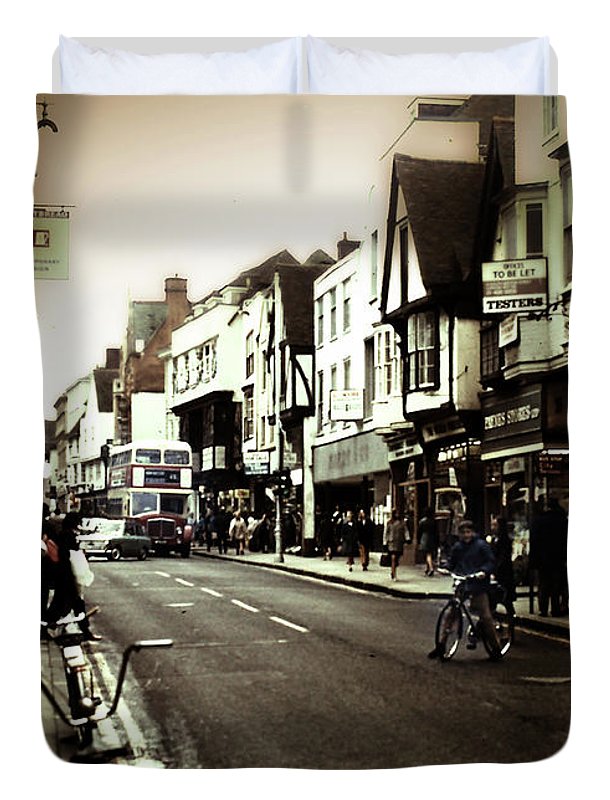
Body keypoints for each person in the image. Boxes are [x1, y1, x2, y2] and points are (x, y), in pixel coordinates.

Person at [428, 519, 501, 661]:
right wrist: (445, 568)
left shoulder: (481, 545)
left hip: (478, 584)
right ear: (459, 534)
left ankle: (496, 647)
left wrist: (484, 572)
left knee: (485, 616)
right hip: (463, 583)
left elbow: (490, 561)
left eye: (468, 532)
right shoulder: (458, 547)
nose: (466, 535)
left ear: (473, 532)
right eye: (463, 533)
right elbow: (452, 562)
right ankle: (441, 645)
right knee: (451, 614)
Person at [43, 512, 102, 641]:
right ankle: (44, 627)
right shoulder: (67, 536)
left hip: (65, 577)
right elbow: (68, 557)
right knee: (63, 605)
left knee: (74, 604)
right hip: (67, 577)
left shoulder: (64, 534)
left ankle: (85, 631)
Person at [530, 497, 568, 617]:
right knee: (556, 585)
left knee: (544, 584)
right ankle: (555, 608)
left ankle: (543, 609)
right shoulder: (562, 520)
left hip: (543, 558)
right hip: (558, 557)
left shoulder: (539, 520)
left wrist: (533, 559)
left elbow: (534, 541)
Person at [489, 514, 516, 618]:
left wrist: (495, 572)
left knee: (507, 601)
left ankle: (511, 624)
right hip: (495, 574)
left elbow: (503, 559)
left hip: (504, 575)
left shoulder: (505, 540)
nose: (492, 528)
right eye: (492, 525)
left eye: (495, 525)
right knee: (492, 600)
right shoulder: (493, 539)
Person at [383, 509, 406, 581]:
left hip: (399, 543)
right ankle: (394, 573)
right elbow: (386, 532)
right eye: (396, 513)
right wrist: (384, 542)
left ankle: (393, 570)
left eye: (398, 513)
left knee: (396, 559)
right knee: (393, 558)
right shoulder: (389, 522)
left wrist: (407, 538)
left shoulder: (402, 523)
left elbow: (405, 531)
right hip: (391, 543)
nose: (397, 515)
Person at [418, 507, 438, 577]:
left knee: (427, 554)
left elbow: (419, 532)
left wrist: (418, 541)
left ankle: (431, 568)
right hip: (432, 538)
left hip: (425, 537)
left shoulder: (422, 521)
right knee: (430, 553)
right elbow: (436, 531)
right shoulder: (434, 521)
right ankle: (428, 568)